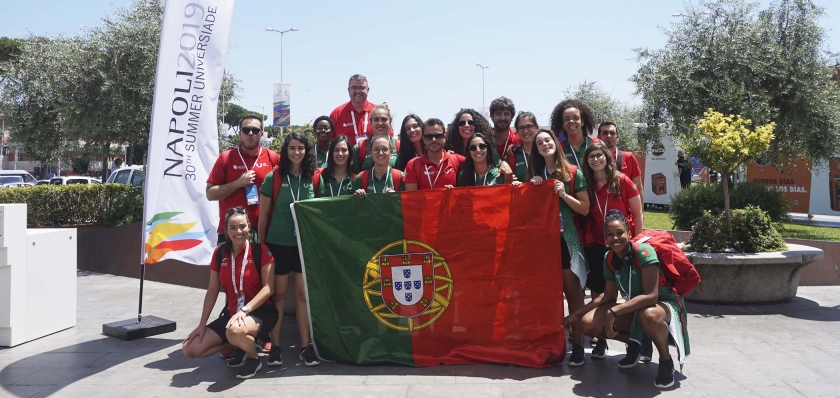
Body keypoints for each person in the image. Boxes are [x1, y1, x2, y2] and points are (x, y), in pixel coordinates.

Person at [565, 210, 689, 389]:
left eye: (619, 233)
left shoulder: (645, 252)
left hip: (662, 305)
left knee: (649, 315)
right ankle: (634, 344)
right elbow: (608, 296)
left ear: (629, 233)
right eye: (610, 234)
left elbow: (651, 297)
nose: (615, 238)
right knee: (588, 324)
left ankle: (665, 362)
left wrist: (614, 311)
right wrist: (576, 315)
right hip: (636, 307)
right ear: (605, 237)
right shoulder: (609, 258)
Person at [182, 207, 278, 380]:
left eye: (242, 226)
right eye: (233, 227)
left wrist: (245, 310)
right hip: (232, 315)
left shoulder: (260, 251)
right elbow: (212, 290)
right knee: (190, 349)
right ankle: (237, 344)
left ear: (249, 227)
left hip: (260, 312)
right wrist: (201, 325)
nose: (238, 231)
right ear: (226, 230)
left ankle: (253, 358)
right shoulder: (220, 253)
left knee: (235, 330)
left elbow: (268, 289)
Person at [526, 129, 591, 367]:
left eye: (547, 140)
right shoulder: (535, 173)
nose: (544, 144)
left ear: (556, 143)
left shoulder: (574, 172)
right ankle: (552, 340)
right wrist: (532, 190)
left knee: (573, 293)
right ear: (536, 150)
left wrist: (563, 194)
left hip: (567, 241)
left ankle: (579, 343)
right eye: (539, 143)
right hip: (543, 243)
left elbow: (584, 208)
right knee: (547, 294)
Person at [257, 132, 320, 367]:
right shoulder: (273, 178)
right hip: (278, 244)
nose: (296, 152)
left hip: (303, 247)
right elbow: (263, 218)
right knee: (279, 296)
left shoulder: (314, 177)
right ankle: (275, 347)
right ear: (286, 151)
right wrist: (262, 249)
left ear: (307, 151)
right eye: (292, 148)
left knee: (303, 297)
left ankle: (306, 347)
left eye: (301, 148)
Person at [581, 142, 644, 361]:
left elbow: (637, 213)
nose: (596, 159)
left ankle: (636, 341)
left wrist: (638, 242)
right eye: (591, 157)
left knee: (630, 293)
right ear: (587, 162)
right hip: (599, 245)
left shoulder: (622, 180)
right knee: (599, 292)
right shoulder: (587, 185)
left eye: (599, 155)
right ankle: (602, 339)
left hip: (625, 245)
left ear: (607, 157)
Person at [207, 115, 281, 244]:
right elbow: (210, 194)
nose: (250, 134)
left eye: (255, 130)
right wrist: (238, 183)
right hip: (231, 231)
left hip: (262, 230)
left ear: (261, 134)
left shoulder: (272, 157)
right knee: (230, 265)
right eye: (246, 130)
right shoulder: (226, 158)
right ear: (240, 133)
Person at [404, 118, 465, 191]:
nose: (434, 139)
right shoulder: (413, 165)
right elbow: (411, 198)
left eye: (438, 136)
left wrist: (454, 192)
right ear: (423, 139)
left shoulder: (457, 160)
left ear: (444, 137)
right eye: (429, 136)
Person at [599, 122, 644, 204]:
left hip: (624, 212)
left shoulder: (628, 157)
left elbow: (639, 188)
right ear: (599, 137)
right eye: (605, 133)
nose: (609, 136)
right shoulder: (594, 160)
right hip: (600, 209)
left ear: (617, 137)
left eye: (612, 133)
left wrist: (640, 214)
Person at [551, 99, 600, 169]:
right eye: (567, 119)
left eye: (576, 118)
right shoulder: (559, 149)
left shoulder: (597, 143)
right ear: (563, 125)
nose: (571, 121)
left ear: (582, 122)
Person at [329, 74, 375, 147]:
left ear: (368, 89)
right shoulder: (337, 113)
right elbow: (329, 142)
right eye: (354, 88)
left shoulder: (377, 112)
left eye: (362, 87)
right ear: (348, 90)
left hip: (373, 158)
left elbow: (389, 137)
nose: (358, 91)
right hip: (346, 158)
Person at [354, 105, 399, 172]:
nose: (380, 123)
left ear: (390, 122)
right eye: (376, 119)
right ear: (371, 122)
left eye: (384, 119)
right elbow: (354, 176)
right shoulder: (359, 148)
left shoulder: (399, 146)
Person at [509, 111, 538, 182]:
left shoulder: (545, 151)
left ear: (536, 127)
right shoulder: (512, 156)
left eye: (529, 126)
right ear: (517, 131)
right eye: (521, 128)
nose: (525, 131)